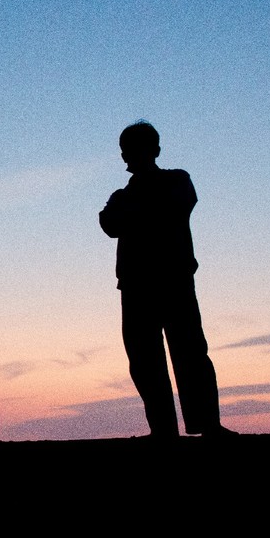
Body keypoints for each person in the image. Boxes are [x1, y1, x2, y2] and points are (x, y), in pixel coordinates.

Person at [98, 120, 237, 439]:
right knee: (145, 361)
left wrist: (132, 211)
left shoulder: (176, 181)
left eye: (131, 149)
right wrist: (133, 210)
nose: (126, 156)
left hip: (172, 282)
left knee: (189, 354)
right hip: (136, 286)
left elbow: (155, 211)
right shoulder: (125, 194)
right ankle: (163, 429)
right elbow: (109, 224)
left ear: (154, 150)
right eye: (124, 150)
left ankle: (207, 425)